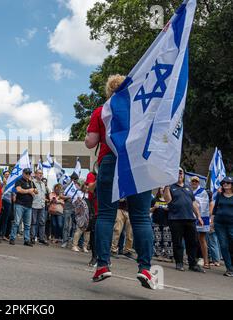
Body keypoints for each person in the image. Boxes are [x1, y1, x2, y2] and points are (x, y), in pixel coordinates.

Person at [85, 74, 156, 289]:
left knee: (106, 214)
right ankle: (145, 268)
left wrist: (89, 134)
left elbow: (91, 143)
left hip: (110, 160)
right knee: (141, 217)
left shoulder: (103, 110)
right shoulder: (142, 108)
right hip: (138, 163)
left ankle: (103, 265)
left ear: (109, 91)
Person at [164, 168, 205, 273]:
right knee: (178, 242)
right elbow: (168, 200)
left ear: (183, 175)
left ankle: (192, 264)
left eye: (181, 172)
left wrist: (199, 216)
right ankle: (179, 263)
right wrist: (167, 187)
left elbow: (193, 203)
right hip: (176, 219)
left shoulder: (188, 188)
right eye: (177, 172)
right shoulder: (170, 187)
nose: (179, 174)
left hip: (190, 219)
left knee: (193, 242)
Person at [9, 168, 36, 246]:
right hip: (20, 204)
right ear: (23, 173)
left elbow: (36, 191)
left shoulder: (31, 182)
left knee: (27, 225)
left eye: (29, 173)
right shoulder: (19, 181)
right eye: (26, 173)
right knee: (16, 222)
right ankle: (12, 238)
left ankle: (26, 240)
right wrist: (29, 191)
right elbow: (19, 190)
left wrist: (32, 190)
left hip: (29, 206)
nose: (28, 175)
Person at [212, 177, 233, 277]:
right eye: (224, 183)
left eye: (228, 182)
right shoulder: (220, 195)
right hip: (219, 224)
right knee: (224, 246)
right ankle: (229, 268)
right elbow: (215, 209)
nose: (225, 184)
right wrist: (212, 222)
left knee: (231, 245)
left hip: (231, 224)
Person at [191, 176, 211, 269]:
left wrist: (193, 200)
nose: (194, 182)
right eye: (193, 181)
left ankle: (206, 261)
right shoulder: (189, 190)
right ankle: (192, 259)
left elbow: (203, 204)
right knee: (192, 239)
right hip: (190, 217)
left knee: (202, 240)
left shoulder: (203, 191)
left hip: (201, 217)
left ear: (199, 183)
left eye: (196, 181)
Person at [150, 187, 173, 262]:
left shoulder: (169, 200)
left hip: (167, 223)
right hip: (157, 222)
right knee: (157, 239)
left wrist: (168, 209)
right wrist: (154, 208)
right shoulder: (154, 200)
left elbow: (174, 210)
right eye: (161, 188)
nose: (162, 190)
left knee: (167, 240)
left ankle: (168, 255)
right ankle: (158, 254)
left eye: (164, 188)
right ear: (159, 190)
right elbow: (149, 210)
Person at [31, 169, 49, 246]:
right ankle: (32, 237)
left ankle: (41, 238)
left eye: (41, 173)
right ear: (35, 174)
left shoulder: (43, 184)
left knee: (42, 222)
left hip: (42, 205)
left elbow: (43, 195)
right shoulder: (32, 182)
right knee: (33, 222)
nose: (40, 175)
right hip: (34, 204)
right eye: (39, 173)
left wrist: (45, 200)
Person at [61, 173, 79, 248]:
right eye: (73, 179)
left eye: (76, 179)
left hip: (75, 208)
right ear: (71, 179)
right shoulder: (66, 186)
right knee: (66, 225)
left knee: (75, 226)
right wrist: (67, 197)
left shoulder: (78, 187)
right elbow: (61, 196)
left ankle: (72, 242)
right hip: (67, 208)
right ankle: (65, 241)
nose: (74, 181)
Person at [0, 170, 13, 241]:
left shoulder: (12, 183)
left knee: (9, 219)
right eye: (6, 174)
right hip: (4, 201)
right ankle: (1, 234)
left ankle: (6, 234)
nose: (7, 175)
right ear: (4, 175)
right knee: (3, 219)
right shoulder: (2, 183)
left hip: (11, 202)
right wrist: (4, 185)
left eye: (8, 174)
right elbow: (1, 192)